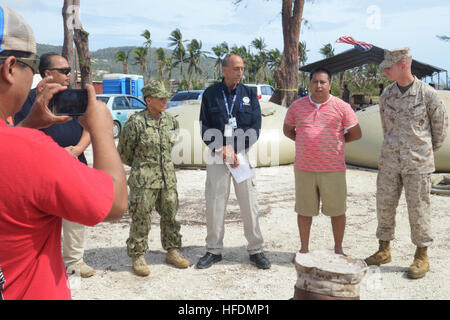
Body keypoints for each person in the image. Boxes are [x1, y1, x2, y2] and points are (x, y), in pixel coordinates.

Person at [0, 4, 127, 299]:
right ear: (9, 68)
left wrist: (27, 126)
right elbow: (116, 202)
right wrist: (103, 132)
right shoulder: (32, 152)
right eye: (28, 68)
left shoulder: (23, 142)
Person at [364, 48, 448, 279]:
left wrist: (421, 149)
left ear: (403, 65)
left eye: (388, 67)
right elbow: (386, 128)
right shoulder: (386, 95)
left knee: (419, 209)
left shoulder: (428, 94)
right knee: (385, 205)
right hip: (390, 160)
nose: (384, 70)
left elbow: (440, 131)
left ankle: (421, 255)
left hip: (417, 163)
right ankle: (384, 250)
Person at [14, 52, 95, 278]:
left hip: (74, 163)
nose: (70, 75)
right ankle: (39, 261)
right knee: (39, 218)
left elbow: (89, 127)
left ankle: (74, 260)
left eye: (71, 71)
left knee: (76, 216)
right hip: (41, 169)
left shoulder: (76, 99)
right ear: (48, 74)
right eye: (65, 71)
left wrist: (77, 149)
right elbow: (22, 132)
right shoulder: (28, 100)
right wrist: (54, 154)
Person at [197, 54, 270, 270]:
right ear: (224, 69)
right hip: (217, 153)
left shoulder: (248, 93)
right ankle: (213, 249)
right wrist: (221, 147)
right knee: (215, 202)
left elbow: (255, 127)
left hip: (242, 155)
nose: (240, 72)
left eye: (242, 68)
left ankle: (256, 249)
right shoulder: (211, 94)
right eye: (236, 68)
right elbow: (204, 125)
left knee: (249, 201)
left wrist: (234, 148)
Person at [283, 67, 362, 256]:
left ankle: (338, 249)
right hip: (304, 168)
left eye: (322, 82)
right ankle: (304, 250)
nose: (318, 86)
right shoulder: (297, 106)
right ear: (309, 84)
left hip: (332, 168)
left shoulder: (342, 107)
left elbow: (356, 133)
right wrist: (305, 142)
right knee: (304, 210)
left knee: (337, 211)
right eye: (315, 82)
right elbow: (287, 130)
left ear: (330, 84)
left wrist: (335, 144)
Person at [117, 81, 189, 277]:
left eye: (166, 97)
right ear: (149, 100)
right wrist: (143, 166)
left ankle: (172, 250)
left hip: (167, 179)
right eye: (161, 98)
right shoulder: (136, 123)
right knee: (141, 217)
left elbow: (169, 148)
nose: (165, 101)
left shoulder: (170, 121)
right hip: (144, 181)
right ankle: (138, 254)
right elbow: (124, 153)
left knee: (171, 215)